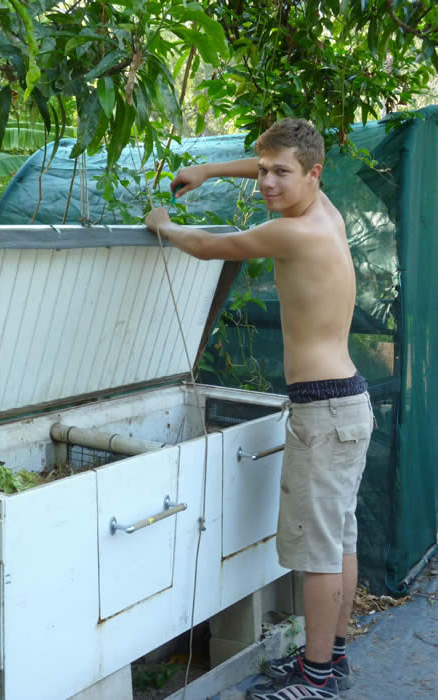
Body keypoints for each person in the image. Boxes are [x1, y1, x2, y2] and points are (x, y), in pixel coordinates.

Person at [145, 118, 374, 700]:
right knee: (338, 541)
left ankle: (316, 680)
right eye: (262, 169)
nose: (267, 181)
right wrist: (209, 170)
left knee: (319, 552)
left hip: (324, 413)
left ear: (313, 174)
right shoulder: (323, 209)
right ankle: (333, 658)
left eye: (280, 173)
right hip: (345, 404)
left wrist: (165, 225)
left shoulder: (290, 233)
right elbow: (273, 164)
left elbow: (209, 248)